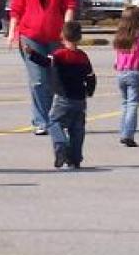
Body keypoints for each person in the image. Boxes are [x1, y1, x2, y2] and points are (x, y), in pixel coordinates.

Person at [8, 0, 78, 136]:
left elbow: (70, 6)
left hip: (55, 37)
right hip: (30, 36)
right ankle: (41, 121)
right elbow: (16, 9)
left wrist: (67, 31)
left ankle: (56, 117)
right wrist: (11, 33)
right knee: (38, 80)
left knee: (54, 79)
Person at [21, 21, 96, 169]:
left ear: (62, 36)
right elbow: (90, 75)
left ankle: (60, 142)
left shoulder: (59, 55)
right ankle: (75, 159)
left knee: (54, 122)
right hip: (80, 99)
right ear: (79, 38)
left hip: (63, 97)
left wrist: (32, 53)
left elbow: (45, 62)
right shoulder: (83, 56)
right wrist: (90, 90)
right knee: (77, 129)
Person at [112, 6, 139, 147]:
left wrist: (117, 64)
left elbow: (117, 53)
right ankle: (128, 134)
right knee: (132, 104)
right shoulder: (138, 36)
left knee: (125, 103)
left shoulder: (120, 35)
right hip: (133, 72)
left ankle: (123, 132)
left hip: (121, 73)